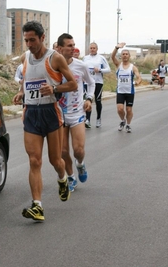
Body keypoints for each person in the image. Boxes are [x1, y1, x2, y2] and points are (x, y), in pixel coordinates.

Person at [12, 21, 77, 222]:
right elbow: (25, 78)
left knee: (55, 160)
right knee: (34, 160)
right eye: (26, 40)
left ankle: (62, 178)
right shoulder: (25, 57)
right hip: (31, 112)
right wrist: (22, 91)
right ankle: (37, 206)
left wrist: (55, 89)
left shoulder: (55, 58)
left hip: (51, 112)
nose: (29, 44)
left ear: (42, 38)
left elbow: (73, 84)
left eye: (33, 40)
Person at [56, 33, 94, 192]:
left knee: (78, 150)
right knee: (63, 151)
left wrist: (89, 99)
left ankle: (80, 164)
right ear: (59, 48)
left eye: (73, 45)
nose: (73, 48)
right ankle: (71, 177)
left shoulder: (81, 65)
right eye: (69, 46)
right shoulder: (52, 66)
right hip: (59, 114)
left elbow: (91, 83)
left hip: (77, 112)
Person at [111, 42, 142, 133]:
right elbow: (112, 57)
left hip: (129, 91)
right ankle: (122, 120)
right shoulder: (118, 65)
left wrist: (138, 81)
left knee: (129, 110)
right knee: (120, 109)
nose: (125, 56)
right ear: (121, 56)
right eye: (123, 54)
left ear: (129, 56)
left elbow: (138, 76)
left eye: (126, 54)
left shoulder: (133, 67)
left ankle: (128, 124)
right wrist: (116, 48)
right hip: (120, 91)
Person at [82, 42, 111, 128]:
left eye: (94, 48)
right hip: (88, 82)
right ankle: (87, 120)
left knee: (98, 101)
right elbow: (82, 68)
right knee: (88, 100)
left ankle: (98, 119)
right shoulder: (85, 58)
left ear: (97, 49)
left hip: (98, 82)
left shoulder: (101, 58)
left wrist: (100, 70)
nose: (92, 49)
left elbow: (108, 69)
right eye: (91, 48)